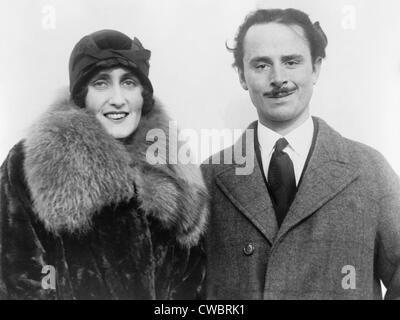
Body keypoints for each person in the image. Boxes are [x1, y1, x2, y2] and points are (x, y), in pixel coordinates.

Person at [201, 8, 400, 299]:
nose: (278, 78)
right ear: (242, 76)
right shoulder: (208, 178)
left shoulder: (370, 170)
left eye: (291, 62)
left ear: (316, 68)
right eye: (261, 65)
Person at [0, 29, 208, 300]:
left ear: (143, 95)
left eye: (129, 82)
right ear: (81, 95)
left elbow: (192, 287)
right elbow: (18, 278)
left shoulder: (176, 176)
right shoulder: (30, 164)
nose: (118, 99)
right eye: (101, 83)